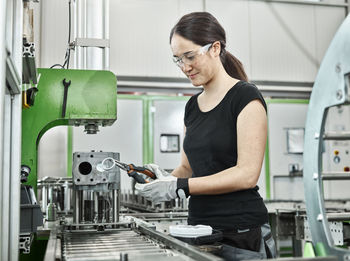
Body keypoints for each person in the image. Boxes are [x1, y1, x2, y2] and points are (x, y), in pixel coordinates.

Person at [136, 12, 276, 260]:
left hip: (241, 232)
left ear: (215, 48)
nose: (185, 67)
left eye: (190, 56)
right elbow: (187, 168)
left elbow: (246, 174)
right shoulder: (192, 107)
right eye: (177, 59)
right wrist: (162, 180)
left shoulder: (245, 97)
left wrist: (179, 187)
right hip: (198, 232)